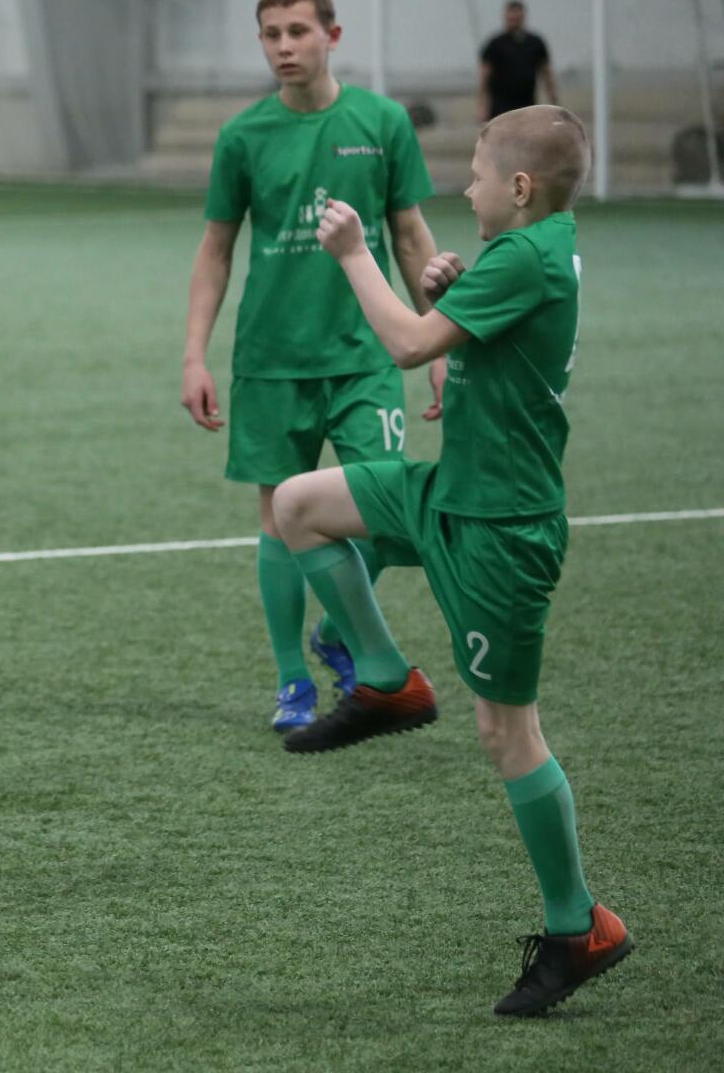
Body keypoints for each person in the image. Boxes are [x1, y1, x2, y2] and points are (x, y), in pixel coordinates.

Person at [272, 104, 630, 1017]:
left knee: (508, 734)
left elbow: (405, 346)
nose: (465, 190)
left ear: (520, 187)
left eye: (475, 176)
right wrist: (452, 288)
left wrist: (354, 251)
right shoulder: (540, 246)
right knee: (298, 506)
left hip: (502, 528)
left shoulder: (527, 256)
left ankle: (578, 925)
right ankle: (385, 678)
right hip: (449, 491)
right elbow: (481, 325)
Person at [181, 0, 447, 733]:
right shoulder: (243, 136)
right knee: (276, 517)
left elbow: (411, 237)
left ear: (333, 35)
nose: (284, 47)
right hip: (271, 360)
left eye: (298, 31)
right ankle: (292, 681)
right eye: (271, 34)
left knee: (390, 518)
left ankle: (337, 631)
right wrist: (194, 356)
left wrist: (439, 339)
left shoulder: (382, 122)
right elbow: (216, 250)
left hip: (367, 356)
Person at [479, 0, 559, 122]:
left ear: (523, 17)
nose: (514, 21)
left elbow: (547, 75)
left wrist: (554, 102)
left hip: (527, 108)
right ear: (506, 17)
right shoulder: (495, 44)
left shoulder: (535, 43)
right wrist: (482, 107)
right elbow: (484, 78)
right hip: (500, 110)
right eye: (512, 18)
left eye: (517, 17)